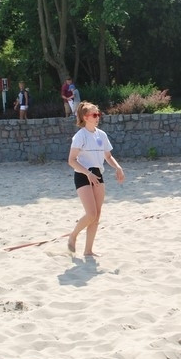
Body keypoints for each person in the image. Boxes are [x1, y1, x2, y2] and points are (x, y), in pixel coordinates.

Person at [67, 101, 125, 257]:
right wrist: (87, 173)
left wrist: (117, 167)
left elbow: (108, 155)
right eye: (94, 114)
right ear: (86, 117)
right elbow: (72, 160)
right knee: (91, 214)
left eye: (98, 114)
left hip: (98, 174)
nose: (98, 116)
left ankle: (88, 250)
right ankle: (73, 236)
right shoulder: (80, 136)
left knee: (97, 215)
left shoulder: (101, 135)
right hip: (83, 175)